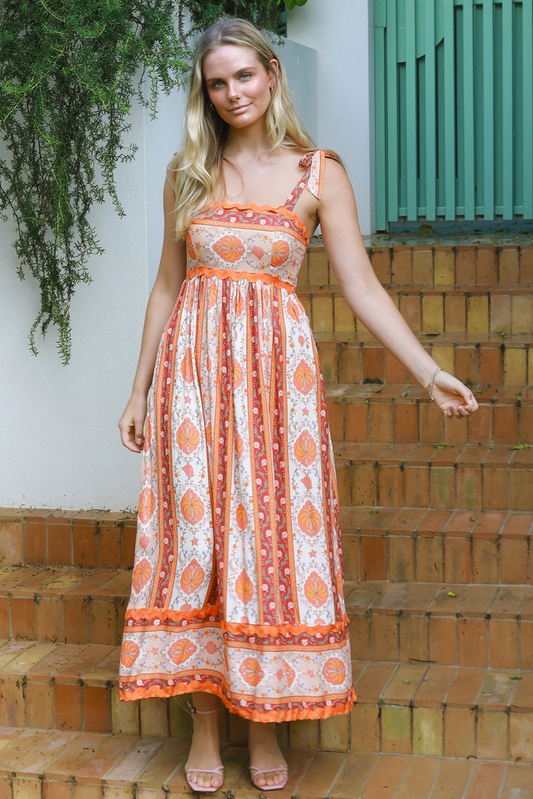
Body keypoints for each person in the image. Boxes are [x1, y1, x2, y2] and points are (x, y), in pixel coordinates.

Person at [117, 16, 478, 794]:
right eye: (217, 82)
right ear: (205, 93)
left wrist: (426, 372)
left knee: (271, 541)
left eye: (243, 75)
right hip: (191, 382)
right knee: (198, 540)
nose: (231, 93)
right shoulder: (188, 172)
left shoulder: (319, 173)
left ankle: (266, 721)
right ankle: (206, 724)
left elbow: (361, 285)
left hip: (278, 389)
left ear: (272, 73)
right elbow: (165, 287)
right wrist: (139, 388)